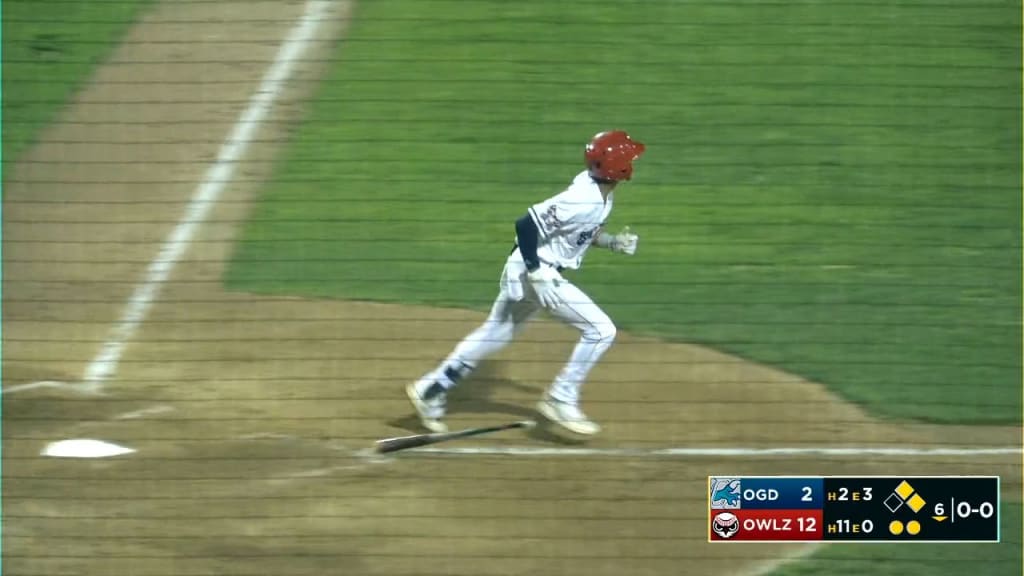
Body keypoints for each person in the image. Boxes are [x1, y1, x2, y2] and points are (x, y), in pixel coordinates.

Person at [406, 130, 646, 436]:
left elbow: (577, 233)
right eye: (630, 158)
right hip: (538, 273)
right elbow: (525, 225)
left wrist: (611, 242)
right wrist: (536, 270)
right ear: (619, 168)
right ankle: (561, 397)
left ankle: (431, 388)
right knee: (601, 330)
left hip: (534, 269)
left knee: (496, 334)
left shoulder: (598, 193)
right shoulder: (582, 199)